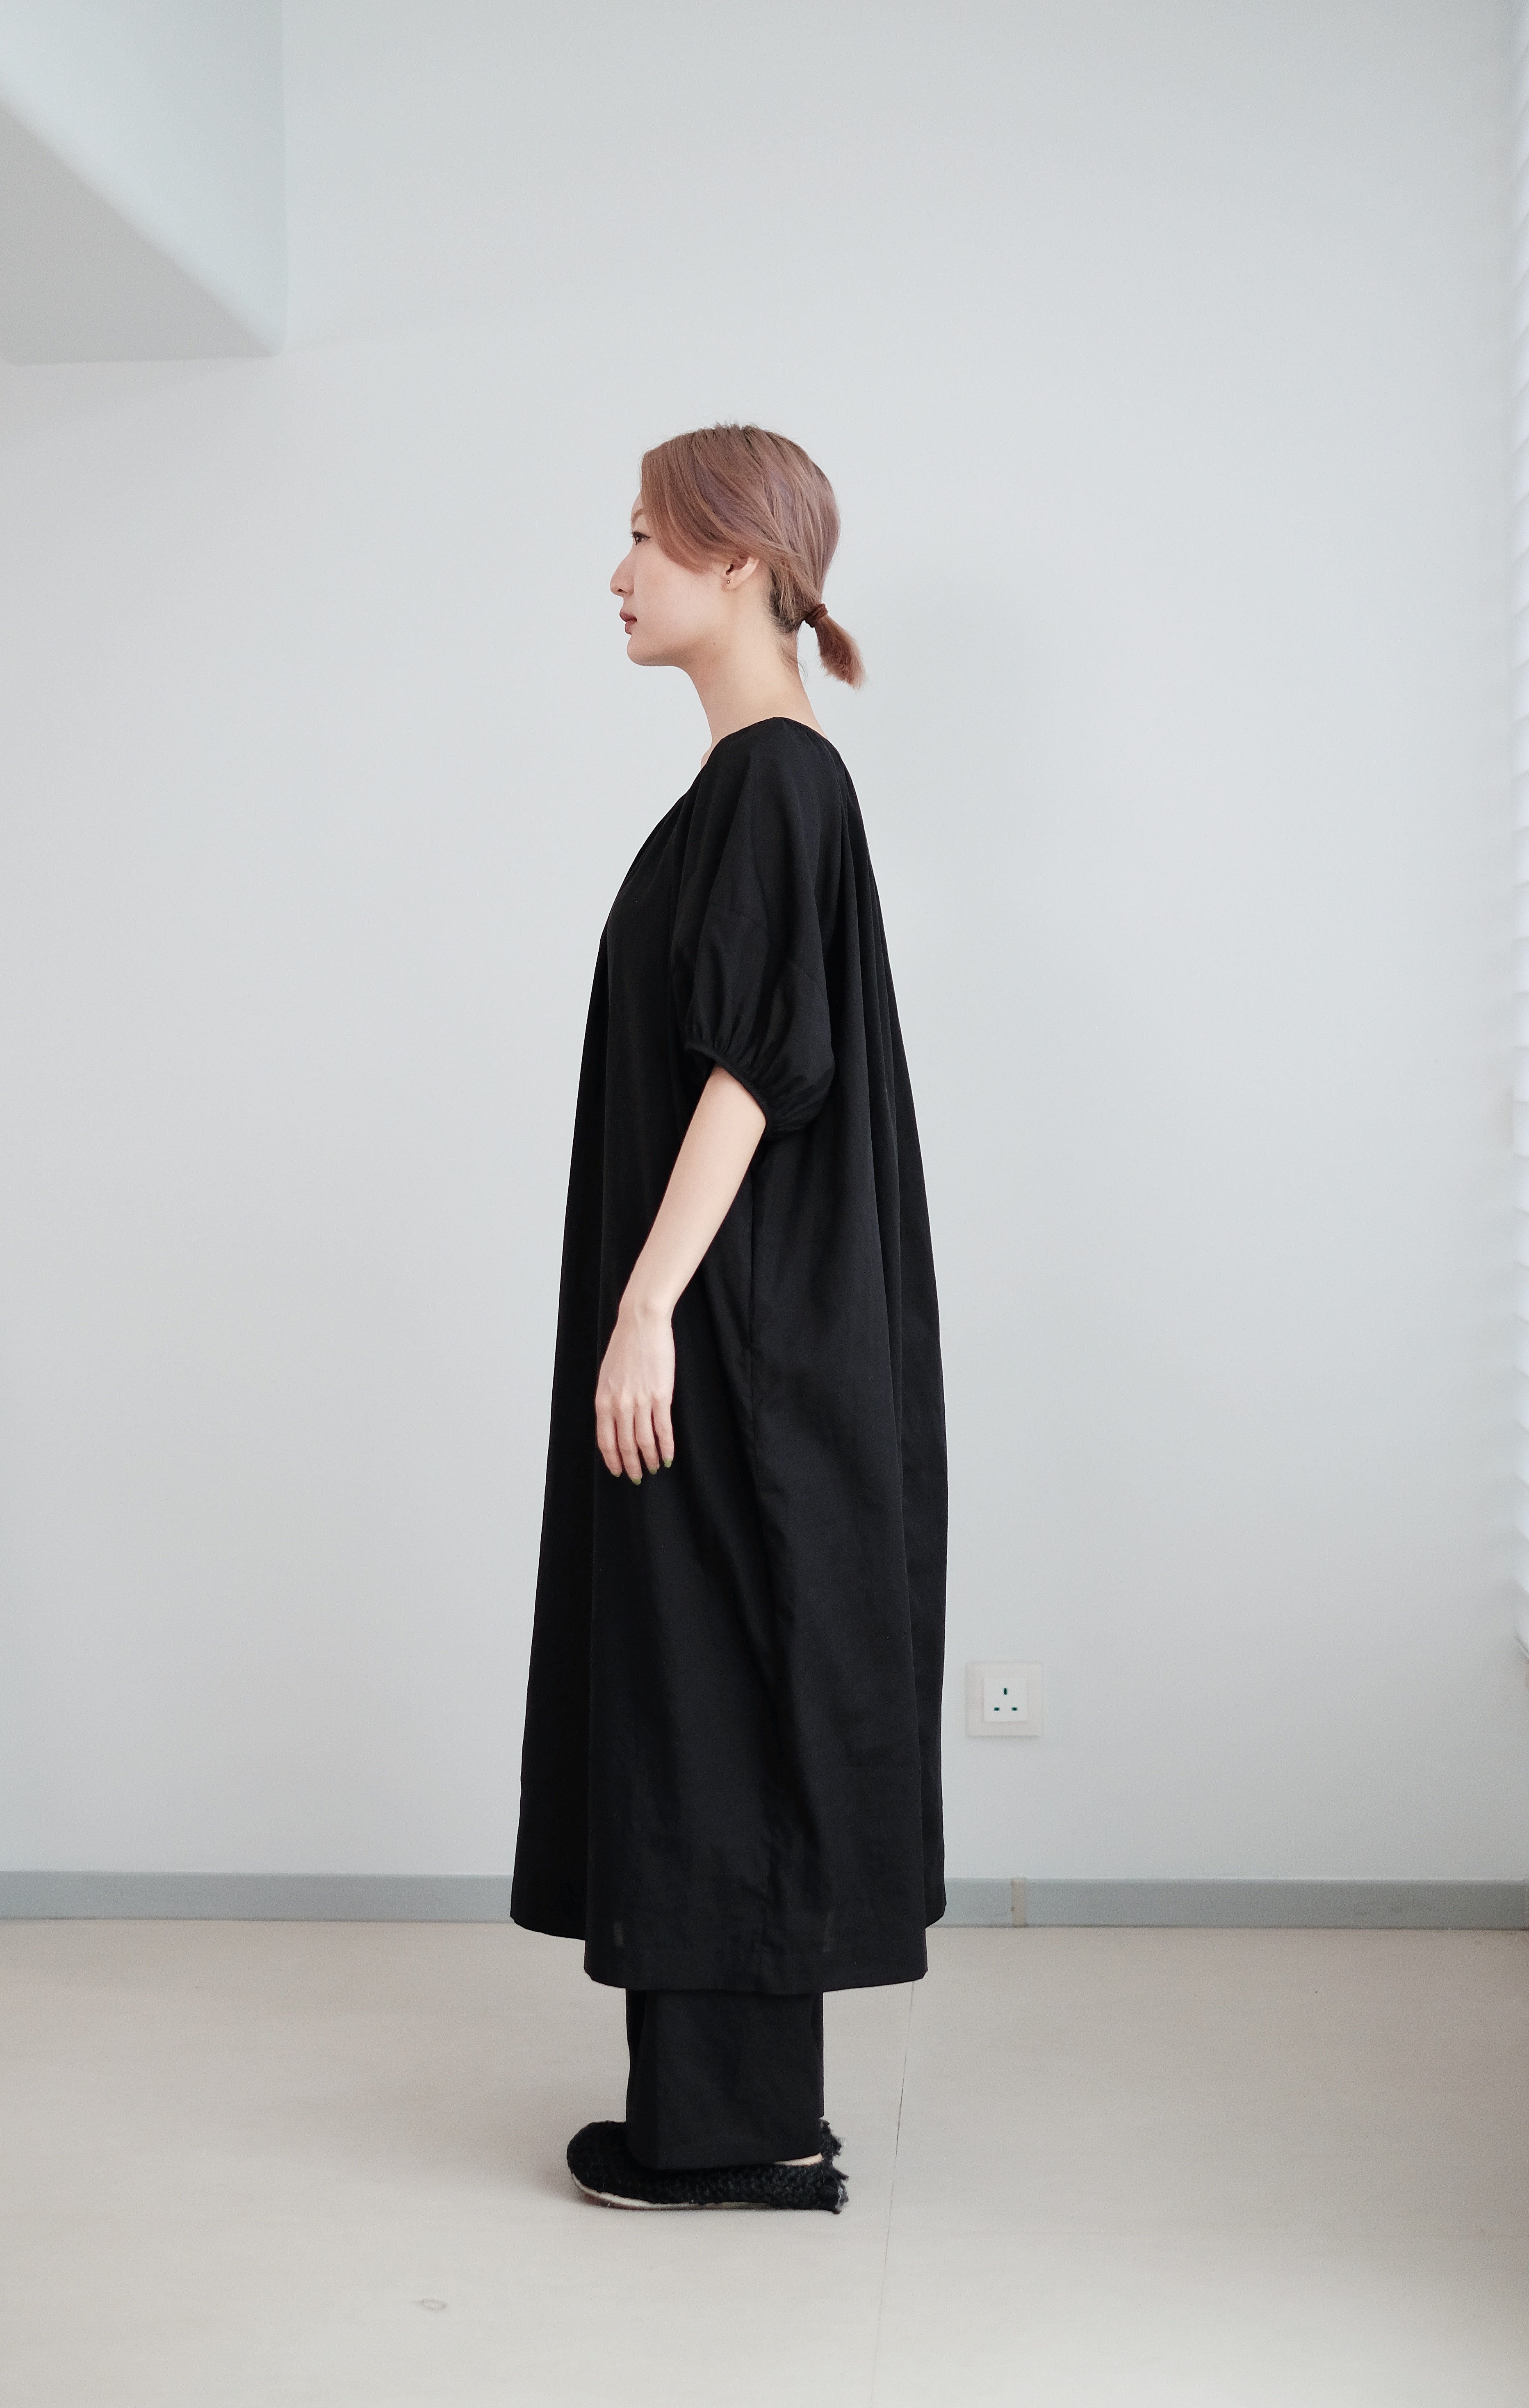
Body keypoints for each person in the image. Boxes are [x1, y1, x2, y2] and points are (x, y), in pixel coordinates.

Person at [510, 423, 946, 2212]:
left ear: (744, 561)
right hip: (742, 1325)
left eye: (645, 537)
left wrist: (646, 1307)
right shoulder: (757, 784)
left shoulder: (774, 781)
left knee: (719, 1686)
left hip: (735, 1333)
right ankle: (724, 2117)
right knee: (702, 1686)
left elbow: (761, 1067)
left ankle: (735, 2135)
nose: (616, 573)